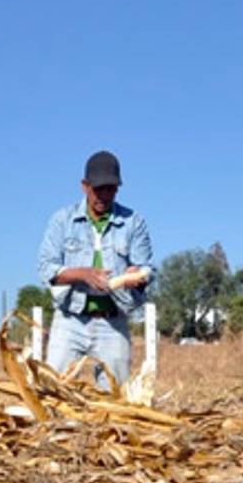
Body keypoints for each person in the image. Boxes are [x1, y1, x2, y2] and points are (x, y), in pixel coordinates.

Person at [37, 150, 154, 389]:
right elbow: (46, 268)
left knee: (114, 398)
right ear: (84, 186)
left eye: (110, 189)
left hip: (113, 322)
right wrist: (83, 274)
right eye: (97, 189)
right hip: (70, 320)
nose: (103, 195)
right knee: (53, 390)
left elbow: (147, 268)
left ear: (118, 188)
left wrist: (138, 276)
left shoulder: (133, 222)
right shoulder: (62, 220)